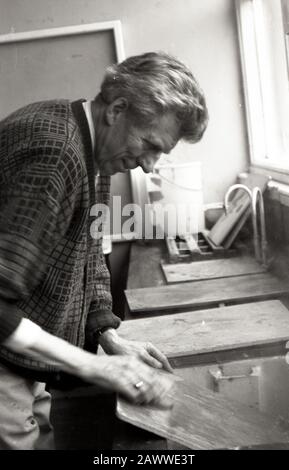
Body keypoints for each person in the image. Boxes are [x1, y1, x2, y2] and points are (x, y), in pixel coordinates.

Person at [0, 51, 208, 450]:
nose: (149, 166)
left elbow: (89, 253)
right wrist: (95, 365)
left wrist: (109, 336)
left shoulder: (95, 152)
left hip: (23, 352)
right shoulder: (56, 153)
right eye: (149, 144)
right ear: (117, 109)